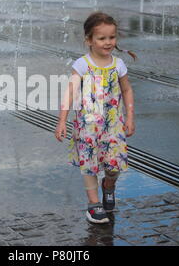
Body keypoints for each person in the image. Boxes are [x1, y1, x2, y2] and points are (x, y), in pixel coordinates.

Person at [55, 12, 136, 224]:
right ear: (89, 41)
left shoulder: (118, 65)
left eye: (112, 37)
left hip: (113, 125)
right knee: (89, 164)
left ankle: (109, 186)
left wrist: (129, 118)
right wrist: (62, 120)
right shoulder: (82, 64)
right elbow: (70, 92)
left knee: (114, 165)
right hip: (87, 126)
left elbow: (127, 90)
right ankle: (93, 204)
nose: (108, 42)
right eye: (102, 38)